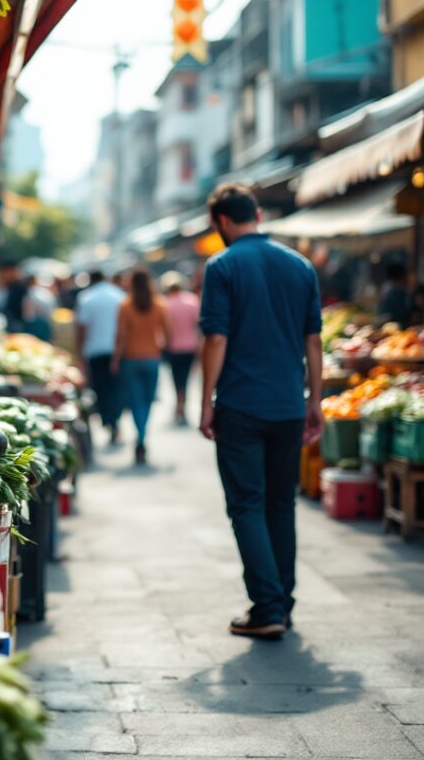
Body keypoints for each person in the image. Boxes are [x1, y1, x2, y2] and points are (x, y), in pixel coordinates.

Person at [199, 183, 323, 640]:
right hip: (289, 405)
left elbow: (216, 338)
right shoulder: (301, 265)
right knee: (279, 504)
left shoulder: (223, 265)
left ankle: (268, 606)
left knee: (247, 505)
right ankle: (281, 604)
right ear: (257, 214)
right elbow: (313, 340)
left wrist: (205, 402)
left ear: (223, 222)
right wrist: (315, 400)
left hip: (241, 405)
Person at [112, 269, 170, 465]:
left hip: (130, 359)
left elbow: (120, 336)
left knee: (136, 402)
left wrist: (115, 359)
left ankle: (141, 437)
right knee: (147, 401)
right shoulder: (159, 305)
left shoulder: (125, 305)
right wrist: (159, 348)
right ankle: (142, 437)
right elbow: (168, 334)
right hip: (152, 359)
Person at [75, 270, 126, 445]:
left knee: (101, 389)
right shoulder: (119, 295)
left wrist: (79, 352)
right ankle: (115, 421)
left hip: (95, 351)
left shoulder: (86, 297)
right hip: (118, 350)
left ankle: (108, 421)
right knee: (117, 388)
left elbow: (81, 328)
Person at [160, 271, 201, 425]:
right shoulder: (191, 301)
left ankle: (179, 404)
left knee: (176, 378)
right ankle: (182, 405)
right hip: (190, 346)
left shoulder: (165, 304)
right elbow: (198, 325)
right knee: (186, 378)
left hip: (172, 348)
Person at [377, 263, 415, 327]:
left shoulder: (387, 288)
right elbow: (401, 314)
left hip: (387, 325)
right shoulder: (397, 292)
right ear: (402, 276)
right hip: (395, 327)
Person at [22, 273, 58, 341]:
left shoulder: (32, 291)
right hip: (45, 321)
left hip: (36, 323)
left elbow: (28, 310)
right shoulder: (45, 292)